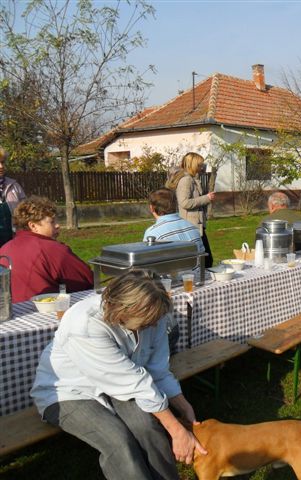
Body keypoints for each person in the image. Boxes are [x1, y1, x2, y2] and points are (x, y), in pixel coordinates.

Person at [30, 270, 207, 479]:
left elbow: (158, 370)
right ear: (121, 309)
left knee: (147, 427)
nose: (152, 325)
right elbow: (134, 383)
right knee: (118, 442)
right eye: (146, 321)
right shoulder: (85, 324)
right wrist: (177, 430)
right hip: (69, 392)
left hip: (121, 386)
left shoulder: (154, 315)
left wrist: (183, 406)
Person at [0, 196, 93, 303]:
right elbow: (86, 280)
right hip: (46, 309)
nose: (58, 225)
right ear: (33, 226)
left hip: (12, 310)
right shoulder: (52, 249)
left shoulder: (4, 249)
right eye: (52, 222)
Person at [166, 152, 215, 268]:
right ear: (193, 165)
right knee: (205, 260)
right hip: (192, 226)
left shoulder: (192, 178)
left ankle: (202, 277)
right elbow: (184, 202)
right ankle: (203, 279)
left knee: (205, 260)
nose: (202, 167)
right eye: (200, 164)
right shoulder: (186, 180)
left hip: (197, 225)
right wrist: (206, 198)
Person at [144, 188, 204, 254]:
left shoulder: (152, 235)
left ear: (151, 208)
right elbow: (202, 255)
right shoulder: (193, 228)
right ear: (176, 205)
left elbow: (147, 258)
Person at [0, 147, 26, 247]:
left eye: (2, 162)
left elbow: (26, 211)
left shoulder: (14, 185)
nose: (1, 166)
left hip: (13, 241)